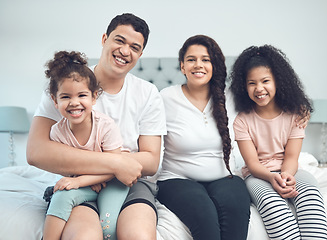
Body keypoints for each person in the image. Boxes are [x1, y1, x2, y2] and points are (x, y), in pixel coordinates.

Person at [27, 13, 166, 240]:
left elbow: (151, 161)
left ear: (140, 54)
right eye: (119, 41)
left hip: (131, 183)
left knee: (138, 236)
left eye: (134, 47)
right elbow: (36, 152)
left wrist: (118, 168)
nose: (124, 51)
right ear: (104, 39)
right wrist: (116, 162)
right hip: (80, 182)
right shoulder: (67, 84)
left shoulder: (148, 93)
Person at [156, 35, 251, 240]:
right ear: (182, 66)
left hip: (225, 177)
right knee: (206, 217)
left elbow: (267, 102)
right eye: (191, 59)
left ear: (214, 65)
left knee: (237, 214)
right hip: (176, 179)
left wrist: (299, 111)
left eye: (206, 59)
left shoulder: (231, 97)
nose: (198, 65)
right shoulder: (165, 97)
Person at [230, 45, 327, 240]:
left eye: (265, 81)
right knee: (272, 205)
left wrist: (286, 175)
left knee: (311, 196)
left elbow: (292, 157)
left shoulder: (296, 115)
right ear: (244, 86)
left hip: (290, 169)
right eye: (252, 83)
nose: (259, 88)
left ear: (278, 81)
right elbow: (253, 164)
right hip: (258, 175)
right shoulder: (241, 121)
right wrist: (272, 178)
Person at [41, 50, 130, 240]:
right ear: (55, 101)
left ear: (94, 97)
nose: (74, 103)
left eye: (82, 95)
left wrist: (82, 180)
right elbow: (66, 167)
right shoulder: (57, 132)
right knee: (61, 196)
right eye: (65, 97)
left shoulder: (105, 126)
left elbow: (115, 167)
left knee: (108, 226)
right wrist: (83, 180)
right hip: (86, 182)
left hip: (113, 181)